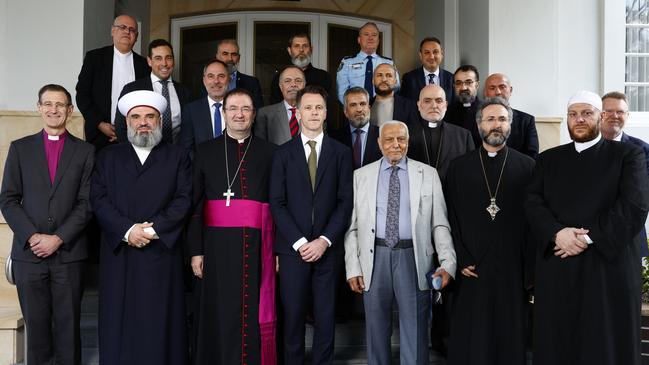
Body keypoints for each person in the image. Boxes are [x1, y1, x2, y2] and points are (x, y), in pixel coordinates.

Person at [525, 90, 649, 365]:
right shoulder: (548, 160)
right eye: (573, 114)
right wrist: (558, 233)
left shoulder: (629, 155)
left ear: (601, 117)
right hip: (559, 266)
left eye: (586, 113)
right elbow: (532, 203)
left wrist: (586, 238)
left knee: (606, 343)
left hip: (608, 268)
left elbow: (634, 206)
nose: (579, 119)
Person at [91, 90, 192, 365]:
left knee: (160, 321)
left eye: (150, 116)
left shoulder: (177, 156)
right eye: (136, 117)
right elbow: (98, 200)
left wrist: (150, 230)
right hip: (119, 253)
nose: (143, 122)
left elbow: (184, 199)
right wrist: (127, 230)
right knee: (119, 322)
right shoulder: (107, 157)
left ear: (160, 120)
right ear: (127, 122)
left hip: (161, 251)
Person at [344, 120, 456, 365]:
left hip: (413, 258)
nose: (395, 145)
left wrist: (447, 262)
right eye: (389, 140)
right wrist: (353, 267)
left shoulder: (428, 174)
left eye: (401, 139)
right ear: (379, 143)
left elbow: (440, 223)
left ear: (407, 141)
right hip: (375, 259)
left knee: (415, 330)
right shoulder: (361, 176)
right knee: (376, 330)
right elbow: (352, 227)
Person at [0, 84, 94, 365]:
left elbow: (87, 203)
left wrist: (58, 238)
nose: (54, 110)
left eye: (60, 104)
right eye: (48, 104)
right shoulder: (20, 148)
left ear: (70, 110)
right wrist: (31, 236)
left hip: (69, 254)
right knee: (37, 329)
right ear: (39, 107)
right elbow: (8, 199)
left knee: (68, 329)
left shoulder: (86, 151)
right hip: (29, 255)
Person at [188, 88, 277, 364]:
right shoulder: (204, 152)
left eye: (246, 109)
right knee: (219, 309)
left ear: (253, 115)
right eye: (233, 109)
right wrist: (196, 250)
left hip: (258, 245)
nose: (239, 114)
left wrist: (277, 251)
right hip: (215, 248)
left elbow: (278, 204)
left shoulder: (271, 153)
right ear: (224, 113)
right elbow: (194, 206)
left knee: (252, 310)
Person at [445, 97, 535, 365]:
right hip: (472, 267)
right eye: (491, 119)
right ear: (479, 124)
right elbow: (450, 216)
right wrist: (460, 257)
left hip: (512, 268)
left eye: (503, 119)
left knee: (511, 335)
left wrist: (528, 270)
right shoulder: (459, 167)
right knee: (473, 336)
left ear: (510, 124)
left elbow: (534, 222)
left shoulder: (528, 167)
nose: (497, 125)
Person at [269, 85, 353, 364]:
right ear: (298, 112)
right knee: (292, 316)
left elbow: (344, 202)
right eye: (308, 107)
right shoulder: (282, 154)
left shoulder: (341, 153)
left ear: (327, 112)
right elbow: (276, 203)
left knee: (326, 316)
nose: (314, 113)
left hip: (327, 250)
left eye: (319, 107)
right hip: (293, 251)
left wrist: (324, 241)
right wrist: (301, 242)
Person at [76, 14, 150, 151]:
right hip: (100, 135)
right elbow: (82, 95)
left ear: (137, 36)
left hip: (136, 135)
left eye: (132, 30)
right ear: (112, 31)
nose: (127, 32)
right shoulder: (94, 58)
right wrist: (100, 123)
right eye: (122, 27)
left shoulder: (144, 65)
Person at [115, 39, 191, 144]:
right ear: (149, 61)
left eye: (168, 58)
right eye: (158, 58)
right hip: (143, 154)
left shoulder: (184, 91)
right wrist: (133, 156)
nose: (164, 63)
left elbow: (188, 129)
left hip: (176, 154)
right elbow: (121, 127)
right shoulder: (132, 89)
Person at [601, 91, 649, 258]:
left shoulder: (642, 150)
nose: (615, 116)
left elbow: (643, 196)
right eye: (609, 111)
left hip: (630, 234)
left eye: (620, 112)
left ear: (627, 115)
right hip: (590, 236)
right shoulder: (582, 147)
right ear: (600, 114)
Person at [407, 84, 474, 183]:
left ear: (446, 105)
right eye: (427, 101)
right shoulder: (405, 134)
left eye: (439, 101)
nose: (434, 106)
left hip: (452, 195)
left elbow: (471, 172)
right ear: (419, 105)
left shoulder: (464, 136)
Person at [180, 59, 230, 155]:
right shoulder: (191, 110)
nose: (216, 81)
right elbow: (187, 148)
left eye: (221, 76)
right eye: (211, 76)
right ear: (204, 80)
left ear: (229, 79)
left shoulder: (238, 109)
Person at [336, 22, 395, 103]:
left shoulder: (389, 63)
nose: (370, 38)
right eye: (366, 34)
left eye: (374, 35)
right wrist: (353, 108)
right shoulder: (347, 62)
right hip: (356, 111)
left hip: (383, 109)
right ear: (359, 40)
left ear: (378, 41)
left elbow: (395, 88)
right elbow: (341, 91)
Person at [483, 73, 539, 158]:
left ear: (510, 90)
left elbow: (532, 155)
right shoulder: (478, 119)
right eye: (492, 88)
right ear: (486, 92)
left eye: (502, 87)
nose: (498, 92)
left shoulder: (526, 121)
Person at [270, 33, 332, 104]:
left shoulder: (324, 77)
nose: (301, 50)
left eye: (305, 46)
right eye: (296, 46)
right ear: (289, 51)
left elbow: (328, 108)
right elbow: (275, 109)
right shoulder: (278, 78)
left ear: (311, 49)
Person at [329, 87, 382, 169]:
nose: (359, 109)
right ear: (346, 112)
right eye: (353, 105)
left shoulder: (383, 135)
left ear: (369, 108)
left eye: (362, 104)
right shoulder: (334, 139)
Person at [255, 66, 306, 145]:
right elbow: (261, 148)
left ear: (304, 86)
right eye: (287, 81)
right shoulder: (265, 114)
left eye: (298, 81)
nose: (293, 84)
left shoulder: (315, 113)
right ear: (281, 87)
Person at [401, 37, 455, 105]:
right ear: (420, 56)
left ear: (441, 54)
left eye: (435, 52)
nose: (432, 56)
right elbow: (404, 106)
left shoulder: (451, 78)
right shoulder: (409, 78)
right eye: (427, 52)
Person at [216, 38, 264, 108]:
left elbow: (258, 111)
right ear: (217, 57)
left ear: (239, 58)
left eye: (234, 54)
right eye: (225, 54)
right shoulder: (206, 83)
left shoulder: (252, 83)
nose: (230, 58)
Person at [370, 63, 419, 127]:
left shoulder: (409, 106)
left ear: (395, 81)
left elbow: (414, 132)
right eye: (379, 75)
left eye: (389, 75)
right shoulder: (366, 105)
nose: (384, 79)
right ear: (373, 80)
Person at [445, 65, 482, 147]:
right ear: (454, 86)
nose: (463, 87)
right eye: (458, 83)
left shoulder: (487, 110)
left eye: (468, 82)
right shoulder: (447, 112)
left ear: (477, 85)